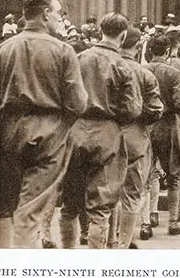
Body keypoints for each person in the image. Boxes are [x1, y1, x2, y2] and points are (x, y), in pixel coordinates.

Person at [0, 0, 88, 248]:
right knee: (29, 211)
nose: (59, 19)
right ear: (44, 14)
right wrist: (62, 125)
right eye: (57, 13)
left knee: (5, 204)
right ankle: (21, 270)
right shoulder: (63, 52)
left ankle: (5, 262)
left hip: (8, 132)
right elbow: (78, 102)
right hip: (49, 134)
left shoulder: (1, 50)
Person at [59, 13, 142, 249]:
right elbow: (133, 109)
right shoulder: (123, 65)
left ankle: (67, 258)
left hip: (75, 132)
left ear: (100, 31)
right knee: (101, 208)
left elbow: (64, 97)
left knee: (69, 204)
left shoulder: (78, 58)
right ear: (123, 35)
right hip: (107, 133)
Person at [118, 26, 163, 247]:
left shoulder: (102, 65)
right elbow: (155, 110)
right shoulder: (144, 74)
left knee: (106, 193)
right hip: (135, 139)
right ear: (138, 48)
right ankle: (124, 243)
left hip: (102, 136)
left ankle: (108, 240)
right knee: (132, 192)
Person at [145, 35, 180, 235]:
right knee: (174, 175)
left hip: (146, 127)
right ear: (167, 51)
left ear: (150, 51)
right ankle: (172, 221)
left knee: (147, 176)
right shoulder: (173, 73)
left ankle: (147, 221)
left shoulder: (141, 70)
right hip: (169, 126)